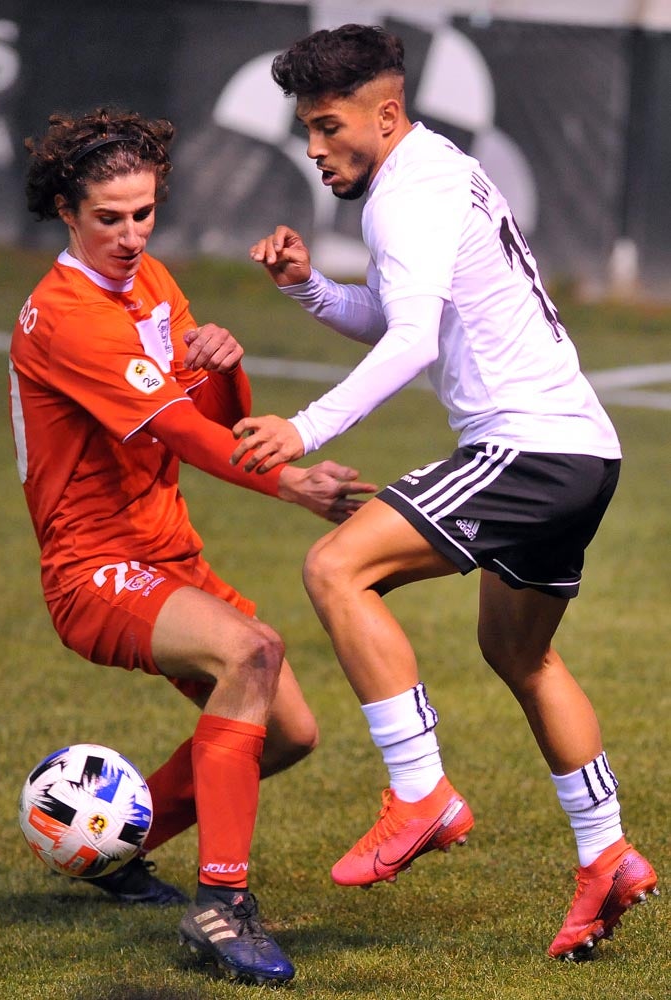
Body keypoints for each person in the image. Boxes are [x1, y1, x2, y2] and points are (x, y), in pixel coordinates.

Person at [230, 24, 659, 961]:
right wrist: (310, 289)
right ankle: (606, 854)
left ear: (384, 114)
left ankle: (421, 792)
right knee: (521, 654)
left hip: (528, 445)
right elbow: (396, 313)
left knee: (337, 569)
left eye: (327, 124)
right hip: (581, 452)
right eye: (305, 127)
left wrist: (304, 428)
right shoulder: (431, 172)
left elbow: (414, 343)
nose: (313, 147)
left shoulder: (408, 191)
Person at [8, 106, 375, 986]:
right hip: (93, 570)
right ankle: (222, 907)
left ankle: (110, 845)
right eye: (110, 218)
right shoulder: (66, 316)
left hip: (165, 553)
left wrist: (221, 363)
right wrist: (291, 481)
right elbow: (182, 435)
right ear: (68, 212)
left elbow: (207, 415)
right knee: (253, 652)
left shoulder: (152, 286)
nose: (131, 235)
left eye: (144, 213)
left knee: (287, 732)